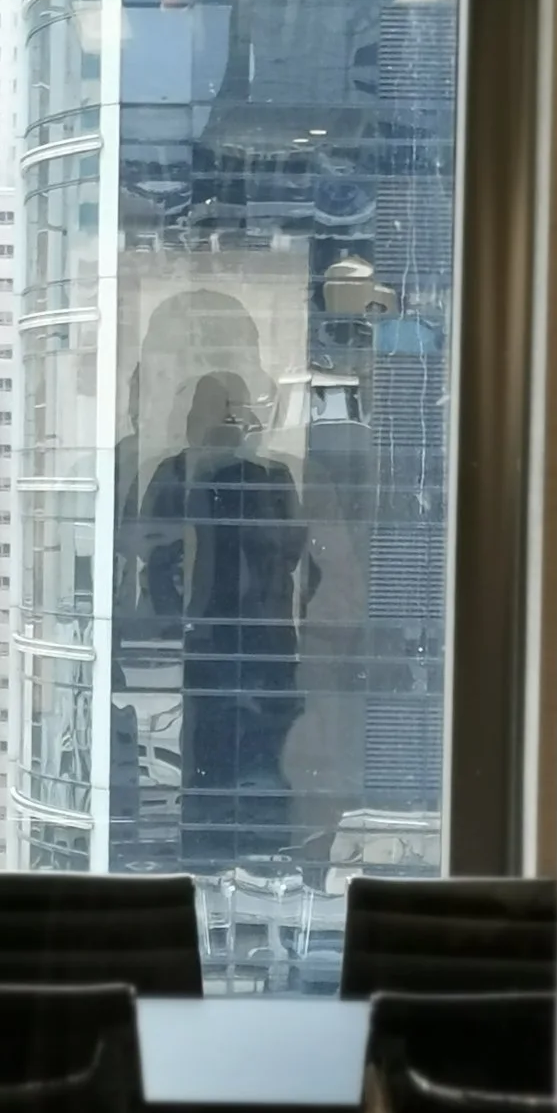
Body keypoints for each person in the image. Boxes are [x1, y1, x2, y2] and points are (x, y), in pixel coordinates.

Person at [138, 371, 321, 871]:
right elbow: (147, 550)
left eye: (235, 411)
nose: (227, 422)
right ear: (194, 419)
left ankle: (268, 864)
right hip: (205, 642)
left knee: (266, 755)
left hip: (268, 641)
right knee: (209, 755)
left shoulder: (274, 477)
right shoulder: (173, 475)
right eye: (216, 411)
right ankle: (209, 862)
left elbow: (297, 554)